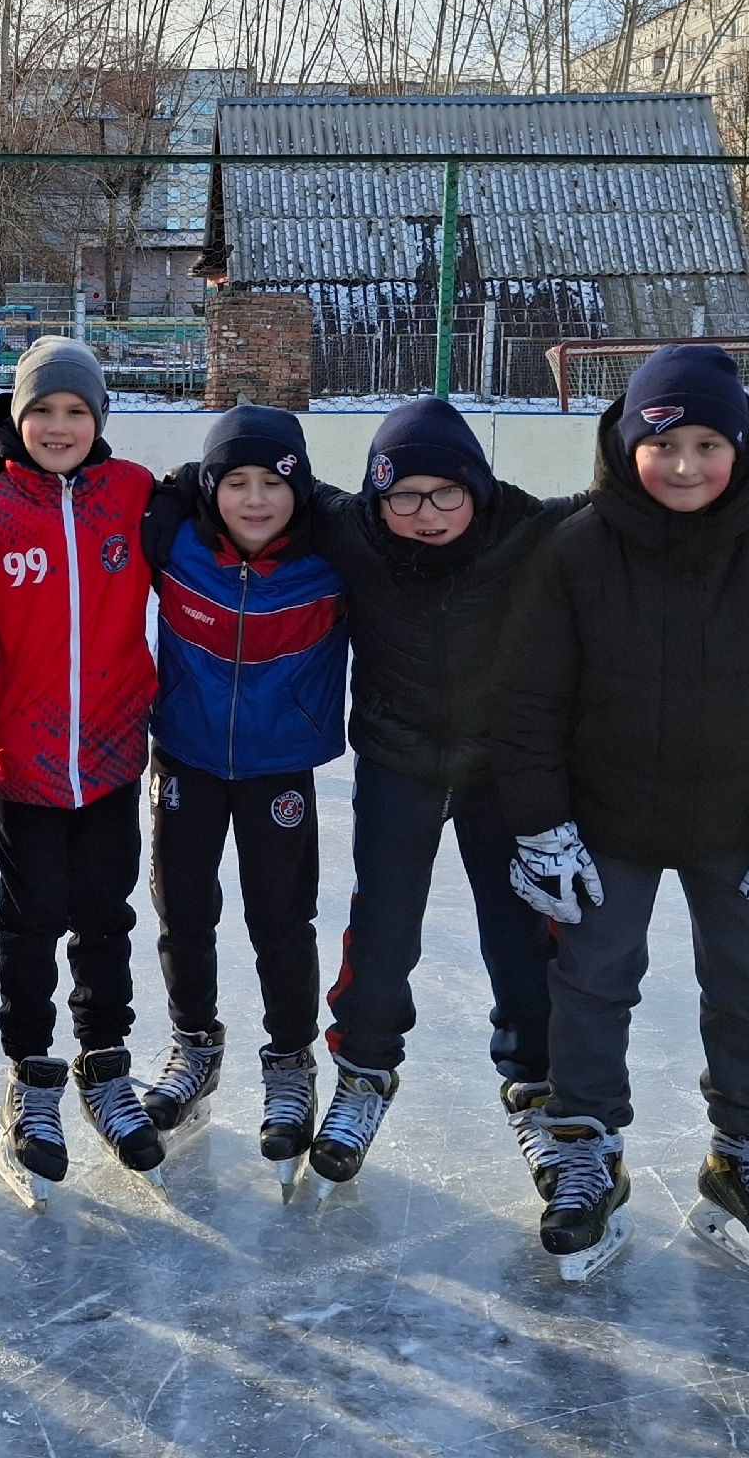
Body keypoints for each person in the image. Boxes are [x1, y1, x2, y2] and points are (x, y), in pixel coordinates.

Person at [492, 344, 749, 1285]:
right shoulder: (572, 547)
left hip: (741, 822)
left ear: (742, 445)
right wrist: (541, 822)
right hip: (602, 821)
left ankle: (745, 1153)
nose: (687, 465)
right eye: (665, 445)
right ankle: (585, 1146)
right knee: (591, 979)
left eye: (709, 443)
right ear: (627, 445)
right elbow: (526, 698)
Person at [300, 398, 582, 1194]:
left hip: (502, 771)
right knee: (384, 925)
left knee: (520, 931)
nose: (426, 515)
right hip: (399, 759)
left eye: (446, 494)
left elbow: (625, 503)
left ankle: (536, 1083)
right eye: (404, 498)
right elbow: (265, 472)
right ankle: (364, 1075)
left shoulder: (529, 528)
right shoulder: (353, 530)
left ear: (478, 489)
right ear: (377, 497)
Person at [0, 337, 163, 1206]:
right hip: (25, 758)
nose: (60, 425)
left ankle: (105, 1068)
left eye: (77, 410)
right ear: (16, 416)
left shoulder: (138, 495)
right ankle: (32, 1076)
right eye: (42, 409)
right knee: (31, 919)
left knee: (106, 915)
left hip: (113, 752)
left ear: (99, 418)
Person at [137, 404, 349, 1196]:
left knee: (280, 917)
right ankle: (195, 1046)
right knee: (182, 908)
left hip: (280, 764)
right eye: (236, 483)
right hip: (187, 754)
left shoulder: (335, 555)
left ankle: (291, 1061)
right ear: (211, 487)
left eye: (273, 483)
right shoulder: (175, 538)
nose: (254, 500)